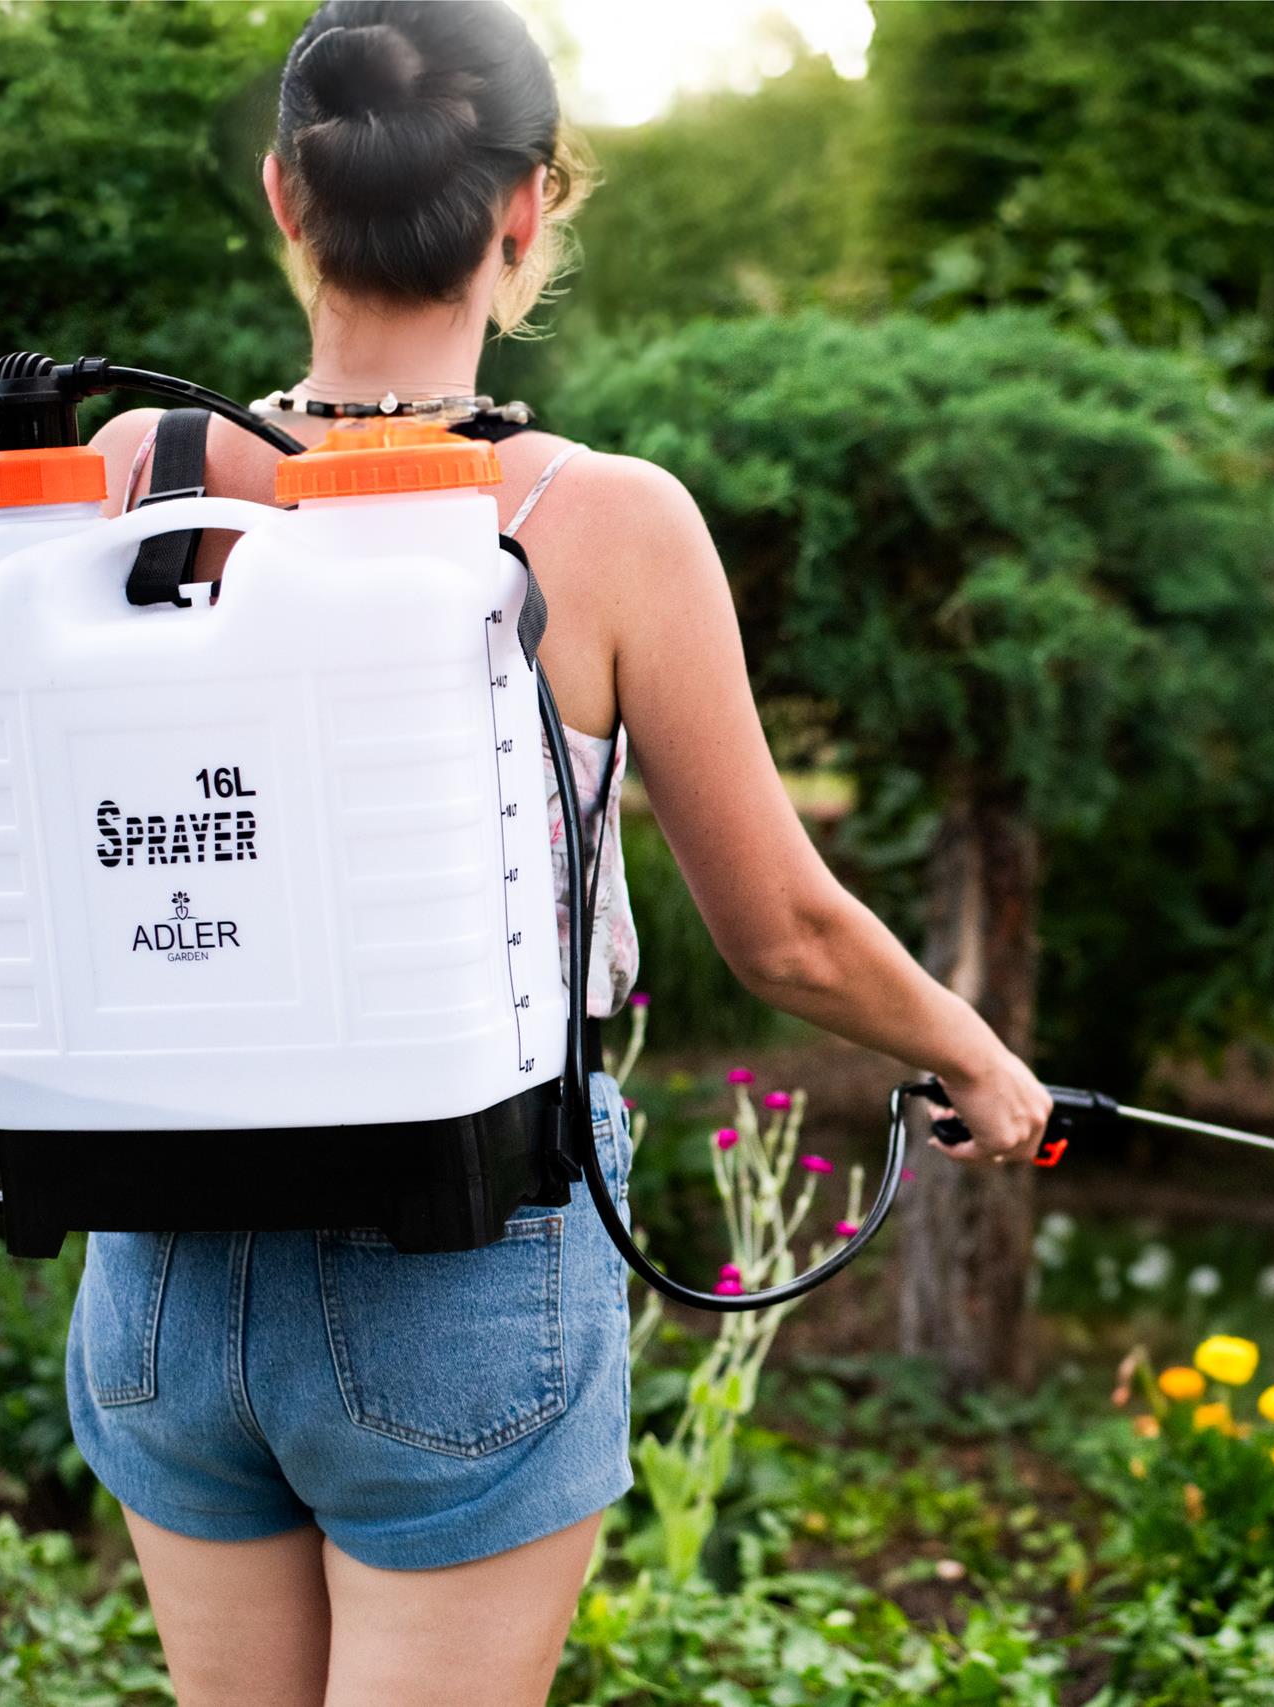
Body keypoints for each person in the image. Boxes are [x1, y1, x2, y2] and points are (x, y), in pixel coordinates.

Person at [68, 4, 1052, 1703]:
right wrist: (974, 1055)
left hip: (159, 1253)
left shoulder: (128, 476)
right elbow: (785, 932)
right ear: (525, 209)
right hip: (459, 1254)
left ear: (287, 196)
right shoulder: (601, 522)